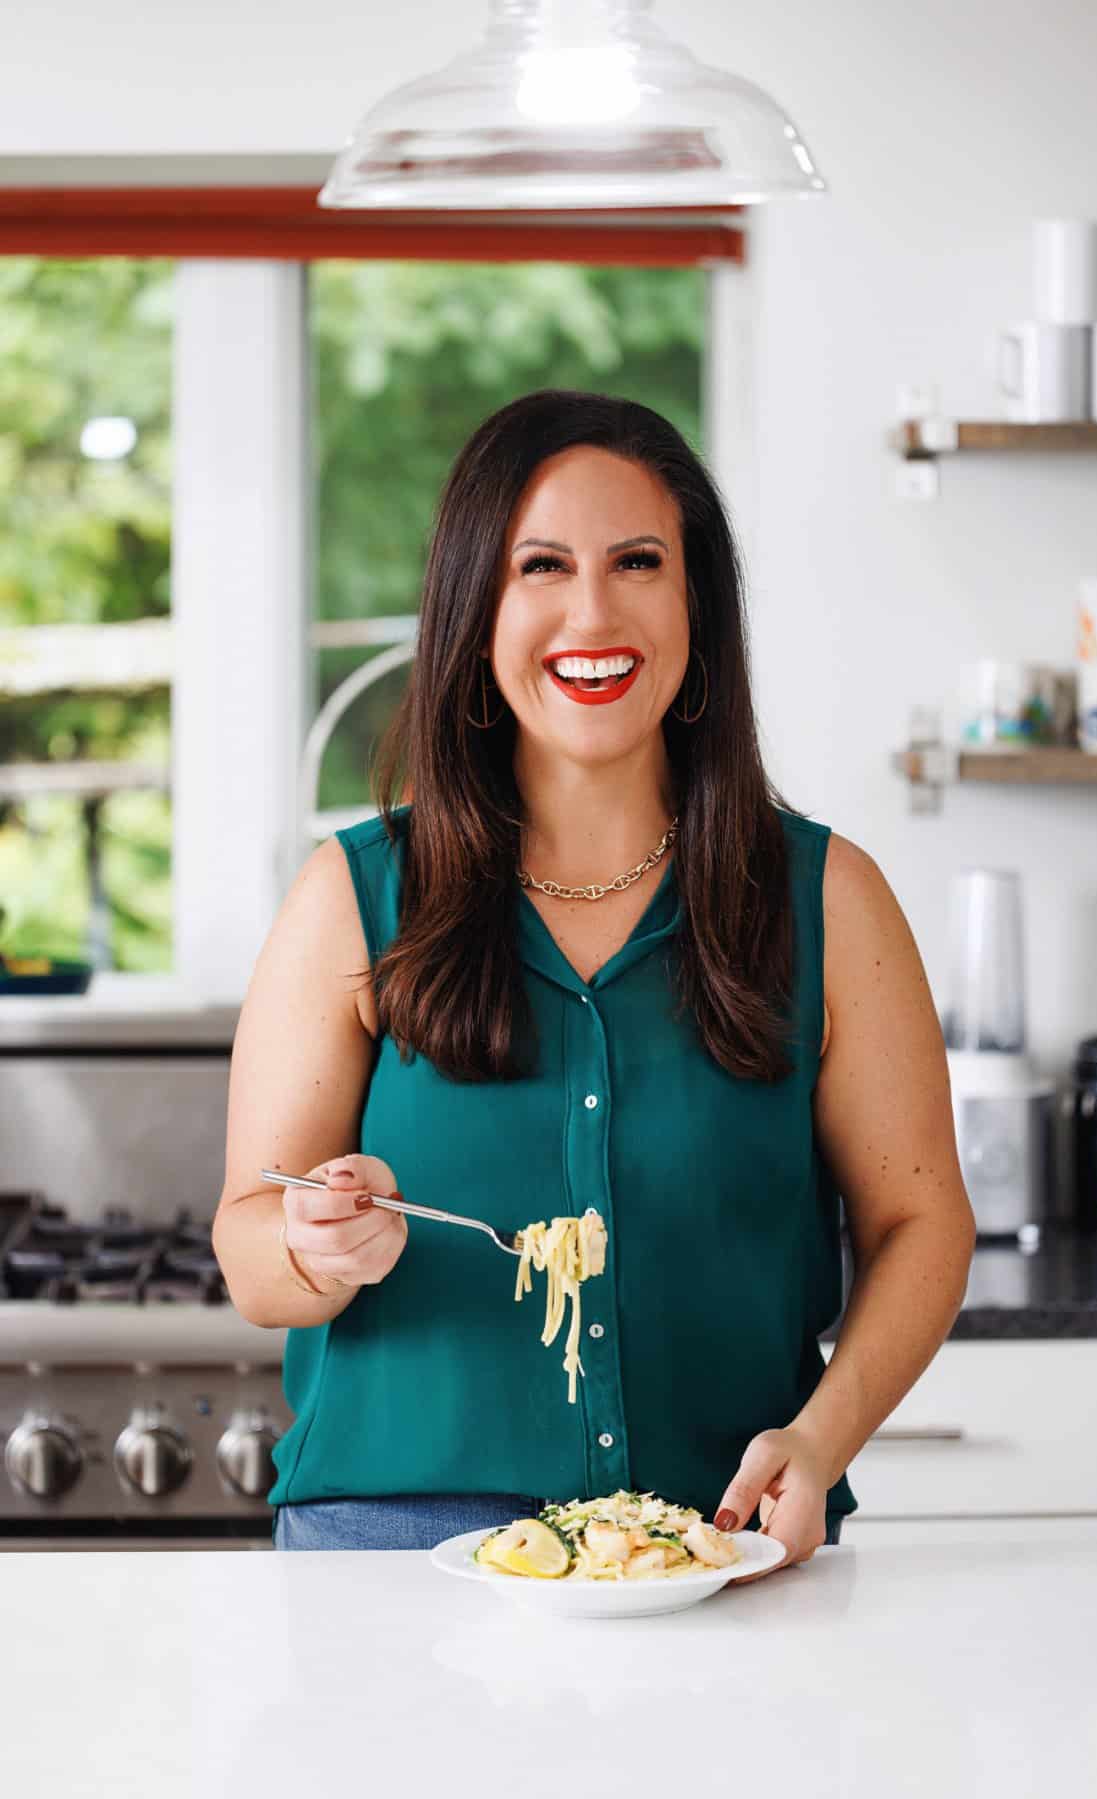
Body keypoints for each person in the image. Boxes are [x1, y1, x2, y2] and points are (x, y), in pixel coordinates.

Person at [213, 389, 975, 1571]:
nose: (593, 611)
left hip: (713, 1543)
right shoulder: (353, 896)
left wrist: (821, 1439)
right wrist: (316, 1243)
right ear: (477, 611)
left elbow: (920, 1219)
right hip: (392, 1549)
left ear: (696, 608)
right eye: (542, 566)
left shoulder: (828, 896)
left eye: (637, 562)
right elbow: (250, 1248)